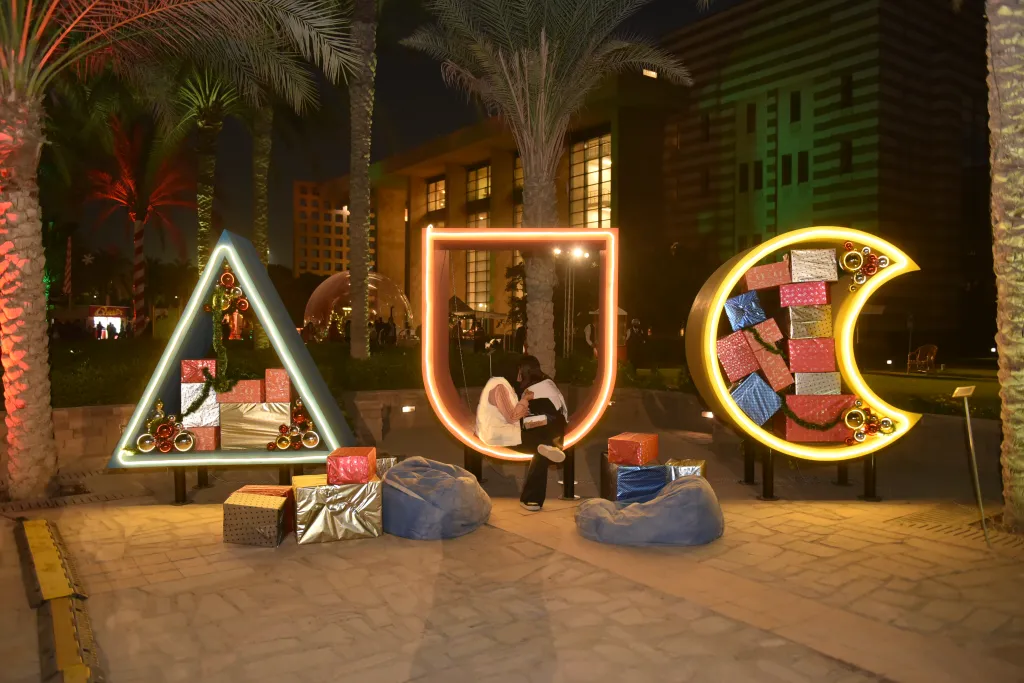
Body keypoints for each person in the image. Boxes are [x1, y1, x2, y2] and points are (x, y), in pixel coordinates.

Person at [515, 355, 568, 511]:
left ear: (526, 371)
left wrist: (521, 413)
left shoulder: (533, 390)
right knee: (542, 450)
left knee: (539, 449)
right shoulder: (546, 382)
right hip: (556, 431)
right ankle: (552, 446)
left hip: (547, 426)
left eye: (519, 372)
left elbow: (536, 418)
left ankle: (531, 499)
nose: (518, 377)